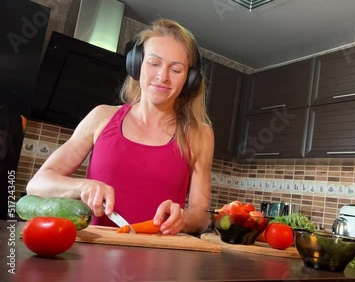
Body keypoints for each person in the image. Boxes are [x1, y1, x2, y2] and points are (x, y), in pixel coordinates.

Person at [26, 19, 214, 235]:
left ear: (189, 80)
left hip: (161, 261)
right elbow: (37, 185)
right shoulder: (101, 117)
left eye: (176, 69)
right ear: (137, 65)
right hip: (95, 256)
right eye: (154, 63)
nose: (162, 76)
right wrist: (81, 187)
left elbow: (200, 216)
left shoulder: (200, 134)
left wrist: (183, 217)